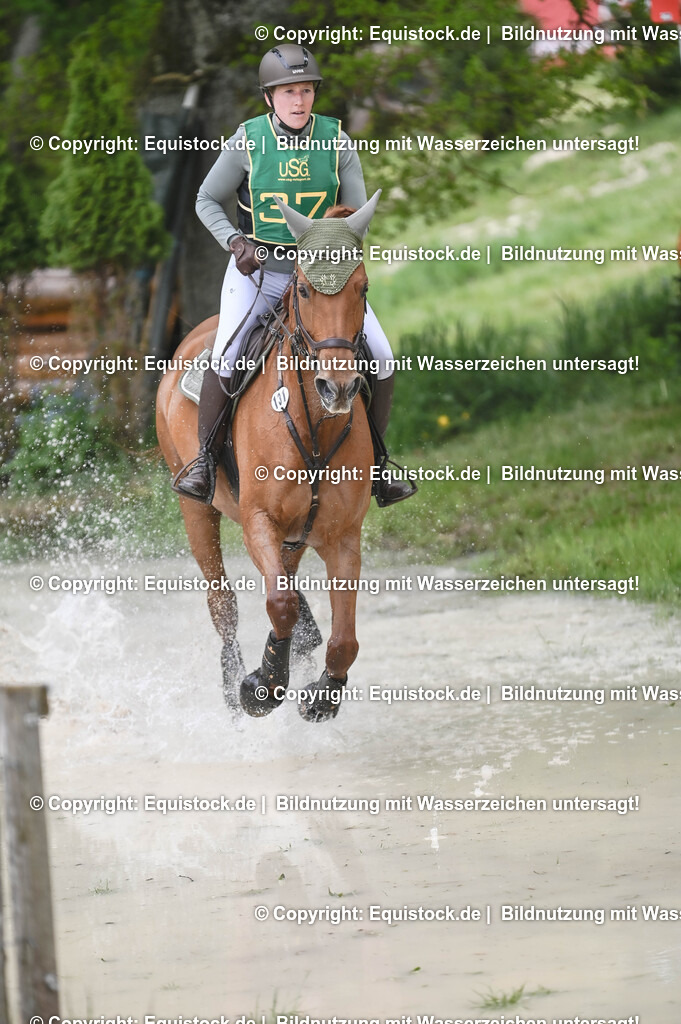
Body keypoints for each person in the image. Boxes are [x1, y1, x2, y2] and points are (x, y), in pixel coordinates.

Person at [176, 43, 415, 507]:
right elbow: (206, 199)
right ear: (269, 98)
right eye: (287, 92)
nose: (299, 101)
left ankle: (379, 465)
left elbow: (352, 216)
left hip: (323, 276)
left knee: (382, 357)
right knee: (228, 355)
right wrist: (234, 240)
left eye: (305, 90)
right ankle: (204, 462)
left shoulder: (338, 141)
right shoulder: (247, 141)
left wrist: (336, 251)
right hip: (259, 270)